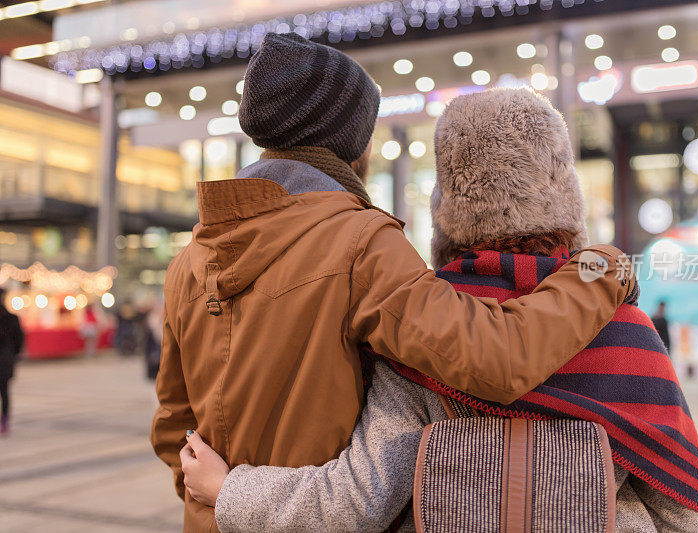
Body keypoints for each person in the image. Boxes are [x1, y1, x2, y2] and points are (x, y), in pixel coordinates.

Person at [151, 34, 635, 532]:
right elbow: (497, 357)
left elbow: (173, 429)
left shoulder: (189, 260)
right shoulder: (359, 242)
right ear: (354, 142)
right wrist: (603, 269)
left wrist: (222, 500)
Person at [0, 288, 24, 435]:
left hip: (5, 359)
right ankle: (4, 420)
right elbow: (19, 341)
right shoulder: (11, 318)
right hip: (5, 360)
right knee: (4, 392)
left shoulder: (10, 319)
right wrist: (13, 355)